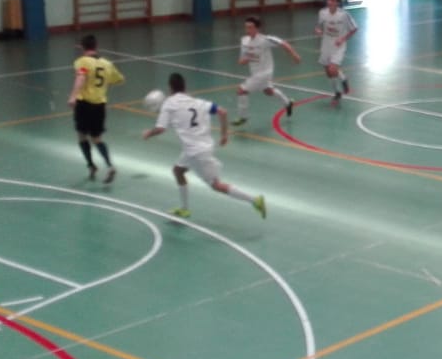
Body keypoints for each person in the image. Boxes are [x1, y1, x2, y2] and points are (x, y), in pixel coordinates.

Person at [142, 73, 266, 220]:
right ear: (184, 86)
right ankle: (184, 209)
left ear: (170, 88)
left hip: (196, 153)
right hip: (199, 148)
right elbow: (222, 112)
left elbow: (161, 128)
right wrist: (224, 135)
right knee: (178, 171)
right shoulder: (197, 102)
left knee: (216, 185)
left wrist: (148, 133)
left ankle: (255, 200)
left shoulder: (169, 104)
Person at [67, 34, 125, 183]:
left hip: (84, 104)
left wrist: (73, 96)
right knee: (97, 138)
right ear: (96, 46)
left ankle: (91, 165)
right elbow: (119, 79)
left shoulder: (82, 61)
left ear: (82, 47)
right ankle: (110, 166)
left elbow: (81, 78)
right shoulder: (107, 64)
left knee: (82, 135)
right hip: (100, 105)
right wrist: (103, 84)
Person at [233, 16, 301, 126]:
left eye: (250, 27)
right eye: (246, 27)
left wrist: (294, 55)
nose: (247, 30)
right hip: (255, 72)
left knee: (241, 90)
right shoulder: (244, 40)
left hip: (265, 73)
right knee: (268, 91)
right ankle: (288, 103)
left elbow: (283, 43)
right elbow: (241, 61)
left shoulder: (265, 40)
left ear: (257, 28)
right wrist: (246, 59)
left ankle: (243, 117)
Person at [314, 0, 358, 105]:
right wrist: (318, 30)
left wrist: (342, 39)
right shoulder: (322, 13)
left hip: (338, 45)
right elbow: (319, 26)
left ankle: (338, 93)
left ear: (338, 2)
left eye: (332, 0)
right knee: (328, 72)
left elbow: (354, 28)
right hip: (326, 44)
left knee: (332, 69)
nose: (329, 2)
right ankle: (341, 82)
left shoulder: (343, 15)